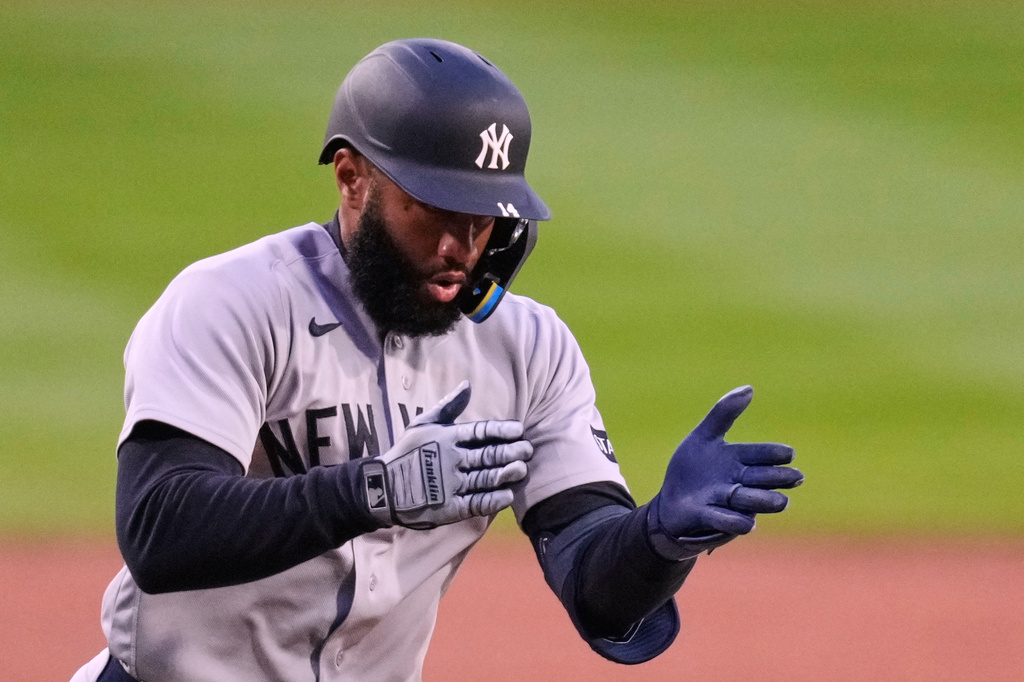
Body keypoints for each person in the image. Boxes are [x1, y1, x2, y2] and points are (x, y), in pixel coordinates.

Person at [72, 38, 803, 682]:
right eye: (435, 207)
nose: (462, 244)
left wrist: (657, 541)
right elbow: (161, 528)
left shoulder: (528, 348)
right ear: (352, 178)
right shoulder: (232, 302)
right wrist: (374, 491)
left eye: (484, 217)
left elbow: (593, 584)